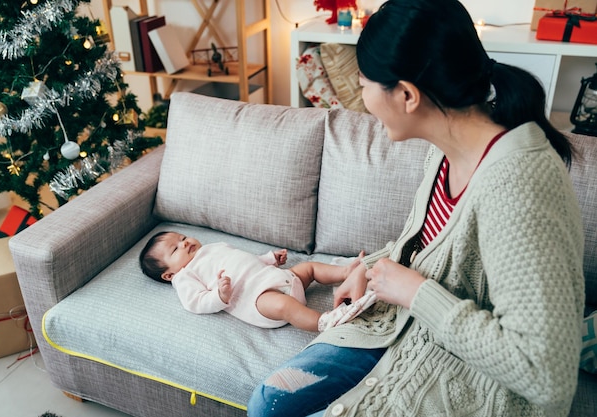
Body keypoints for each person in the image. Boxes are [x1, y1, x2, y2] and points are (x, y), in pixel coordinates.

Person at [247, 0, 585, 416]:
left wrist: (415, 293)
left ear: (407, 94)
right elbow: (429, 252)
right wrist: (369, 271)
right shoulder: (446, 150)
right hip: (403, 331)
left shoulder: (518, 186)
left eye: (364, 82)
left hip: (474, 377)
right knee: (269, 403)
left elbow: (545, 375)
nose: (361, 94)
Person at [139, 231, 364, 332]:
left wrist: (269, 259)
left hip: (275, 277)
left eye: (182, 238)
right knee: (285, 306)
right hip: (258, 299)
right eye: (175, 249)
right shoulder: (184, 277)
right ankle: (325, 322)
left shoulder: (211, 248)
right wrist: (219, 295)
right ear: (168, 275)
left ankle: (346, 272)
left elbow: (244, 260)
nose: (184, 243)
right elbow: (195, 302)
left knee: (308, 268)